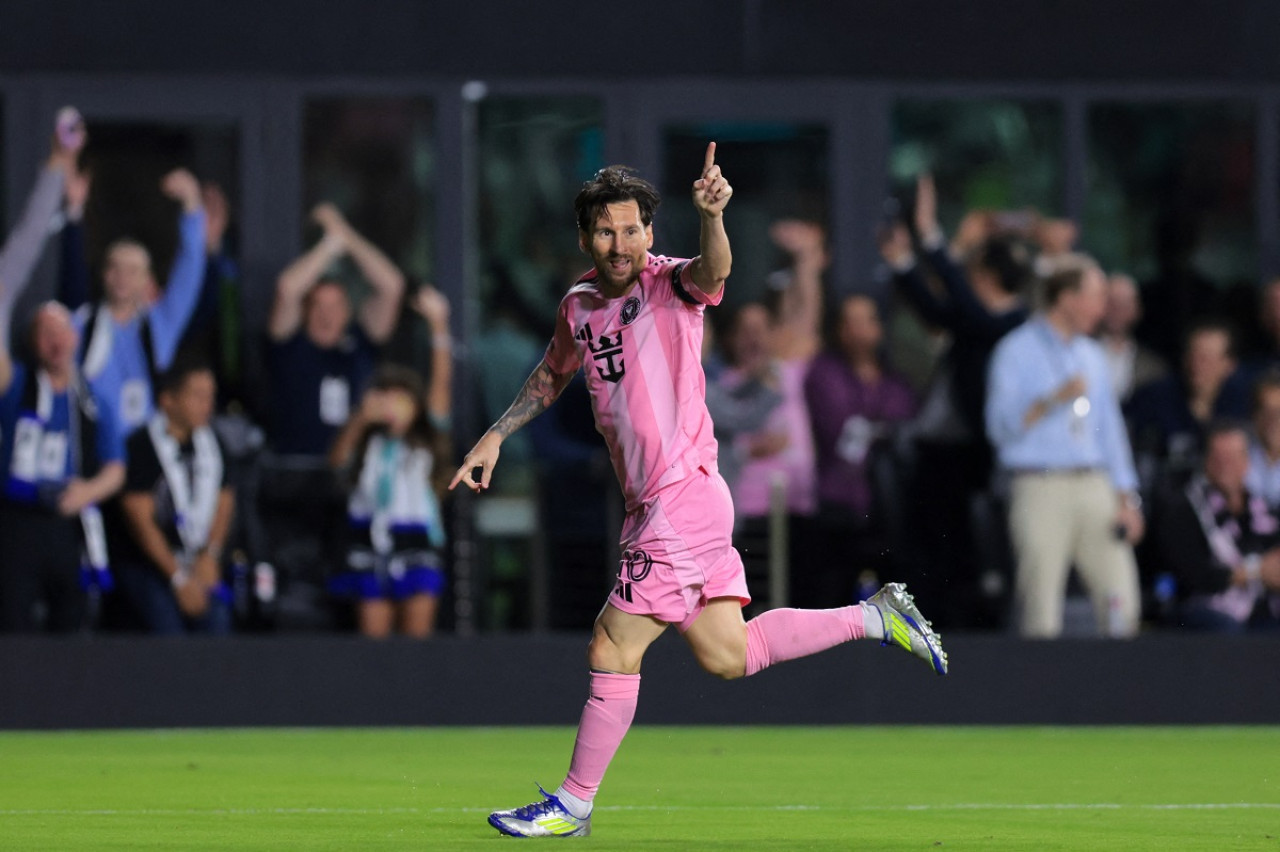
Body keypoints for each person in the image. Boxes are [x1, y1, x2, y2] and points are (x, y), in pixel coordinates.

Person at [452, 145, 947, 839]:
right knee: (729, 654)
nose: (619, 245)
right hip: (665, 504)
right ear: (585, 237)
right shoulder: (579, 305)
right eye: (605, 232)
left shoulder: (671, 285)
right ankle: (875, 616)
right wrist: (496, 435)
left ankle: (573, 803)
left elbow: (715, 271)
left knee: (611, 648)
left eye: (631, 231)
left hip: (681, 499)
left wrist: (714, 216)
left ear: (651, 234)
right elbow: (551, 375)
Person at [985, 254, 1145, 639]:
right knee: (1040, 607)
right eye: (1095, 296)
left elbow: (1111, 431)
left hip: (1094, 483)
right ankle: (1039, 694)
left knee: (1121, 599)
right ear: (1067, 298)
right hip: (1039, 484)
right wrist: (1050, 399)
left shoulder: (1092, 354)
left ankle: (1123, 694)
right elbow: (999, 428)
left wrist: (1128, 497)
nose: (1102, 307)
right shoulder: (1015, 350)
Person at [328, 290, 452, 639]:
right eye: (388, 397)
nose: (394, 406)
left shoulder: (426, 440)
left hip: (414, 542)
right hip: (368, 542)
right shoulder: (368, 441)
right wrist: (360, 419)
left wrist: (439, 325)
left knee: (416, 643)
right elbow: (336, 462)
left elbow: (441, 388)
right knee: (375, 644)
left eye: (403, 398)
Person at [0, 302, 125, 632]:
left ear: (76, 337)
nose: (56, 342)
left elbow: (116, 467)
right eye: (45, 334)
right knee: (13, 616)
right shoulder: (19, 385)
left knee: (73, 617)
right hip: (18, 518)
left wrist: (88, 491)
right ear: (32, 343)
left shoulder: (92, 399)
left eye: (61, 332)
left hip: (70, 521)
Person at [66, 168, 207, 435]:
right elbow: (70, 279)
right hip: (94, 444)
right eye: (115, 268)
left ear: (146, 279)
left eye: (132, 271)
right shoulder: (82, 323)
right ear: (104, 274)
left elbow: (190, 270)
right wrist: (73, 211)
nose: (122, 278)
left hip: (147, 447)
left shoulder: (160, 324)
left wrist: (192, 205)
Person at [802, 293, 916, 607]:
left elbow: (906, 426)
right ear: (838, 328)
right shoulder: (825, 372)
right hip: (840, 507)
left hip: (889, 509)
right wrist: (884, 431)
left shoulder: (895, 380)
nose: (860, 330)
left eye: (867, 320)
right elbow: (839, 429)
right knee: (832, 599)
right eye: (851, 322)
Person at [265, 203, 405, 457]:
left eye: (334, 306)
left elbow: (392, 286)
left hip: (354, 477)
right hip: (294, 474)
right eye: (318, 305)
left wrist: (346, 236)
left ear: (348, 312)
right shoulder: (289, 344)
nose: (326, 315)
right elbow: (287, 288)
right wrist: (329, 246)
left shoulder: (360, 344)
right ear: (305, 311)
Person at [114, 361, 235, 634]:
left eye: (210, 395)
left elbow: (225, 500)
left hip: (197, 557)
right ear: (168, 400)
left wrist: (211, 555)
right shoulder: (142, 446)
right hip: (150, 564)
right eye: (197, 395)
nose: (208, 404)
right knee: (167, 629)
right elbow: (140, 520)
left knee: (218, 622)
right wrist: (178, 578)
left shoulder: (214, 444)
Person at [1153, 421, 1280, 631]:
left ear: (1247, 462)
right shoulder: (1182, 508)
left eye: (1232, 458)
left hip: (1261, 609)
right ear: (1206, 462)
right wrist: (1254, 572)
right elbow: (1195, 576)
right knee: (1225, 626)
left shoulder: (1264, 510)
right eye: (1217, 458)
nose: (1224, 466)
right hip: (1203, 609)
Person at [1127, 320, 1249, 485]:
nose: (1197, 365)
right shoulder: (1152, 399)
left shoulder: (1243, 406)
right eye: (1193, 355)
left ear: (1229, 365)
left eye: (1207, 358)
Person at [1097, 272, 1167, 404]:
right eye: (1111, 302)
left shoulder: (1153, 368)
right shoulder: (1077, 356)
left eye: (1124, 304)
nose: (1117, 310)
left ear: (1137, 310)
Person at [1245, 371, 1280, 508]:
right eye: (1265, 411)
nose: (1273, 420)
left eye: (1279, 412)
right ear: (1254, 414)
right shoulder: (1236, 458)